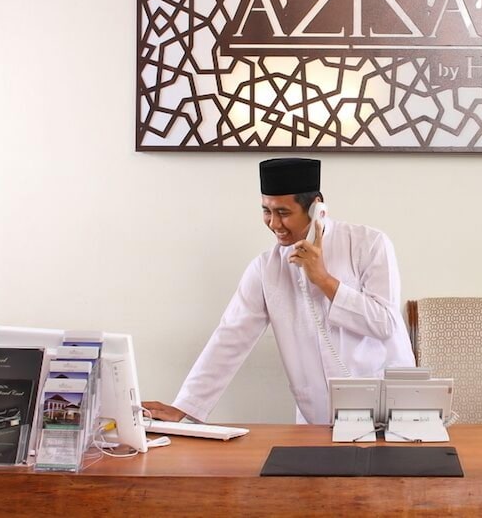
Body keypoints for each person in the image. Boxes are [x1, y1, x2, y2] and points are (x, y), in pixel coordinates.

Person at [144, 158, 415, 424]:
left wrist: (323, 279)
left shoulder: (369, 244)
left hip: (390, 415)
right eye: (267, 211)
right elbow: (230, 336)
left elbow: (385, 324)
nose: (274, 223)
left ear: (316, 208)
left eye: (283, 213)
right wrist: (184, 406)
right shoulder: (266, 268)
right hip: (317, 421)